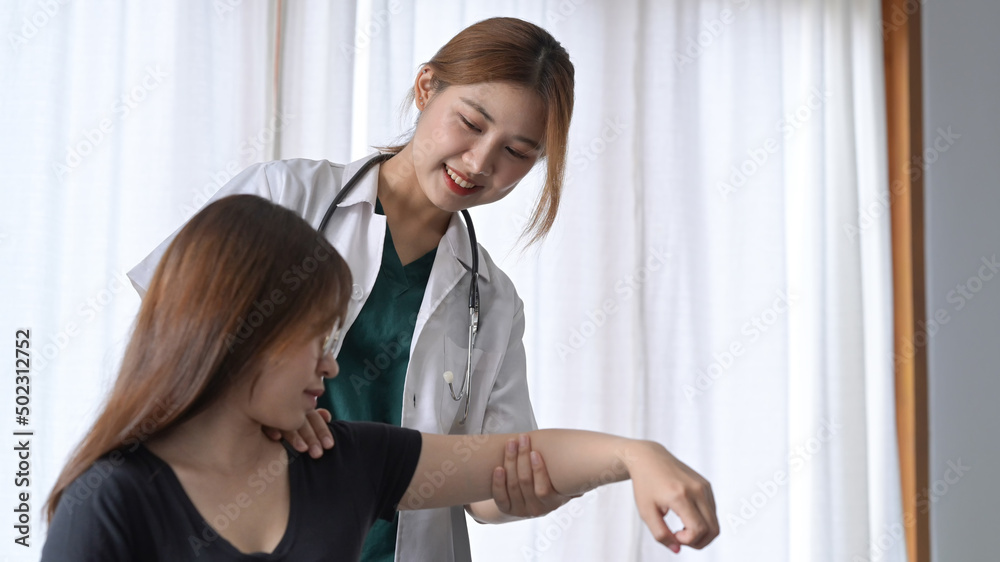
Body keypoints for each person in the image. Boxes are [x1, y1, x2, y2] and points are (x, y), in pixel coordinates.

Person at [126, 16, 710, 561]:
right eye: (471, 123)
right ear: (426, 87)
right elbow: (169, 330)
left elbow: (491, 482)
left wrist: (535, 491)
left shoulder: (494, 302)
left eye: (517, 152)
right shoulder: (283, 196)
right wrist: (261, 403)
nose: (479, 162)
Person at [44, 195, 718, 561]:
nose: (331, 364)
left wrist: (638, 457)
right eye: (316, 337)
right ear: (244, 331)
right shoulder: (111, 501)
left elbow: (512, 457)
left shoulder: (342, 462)